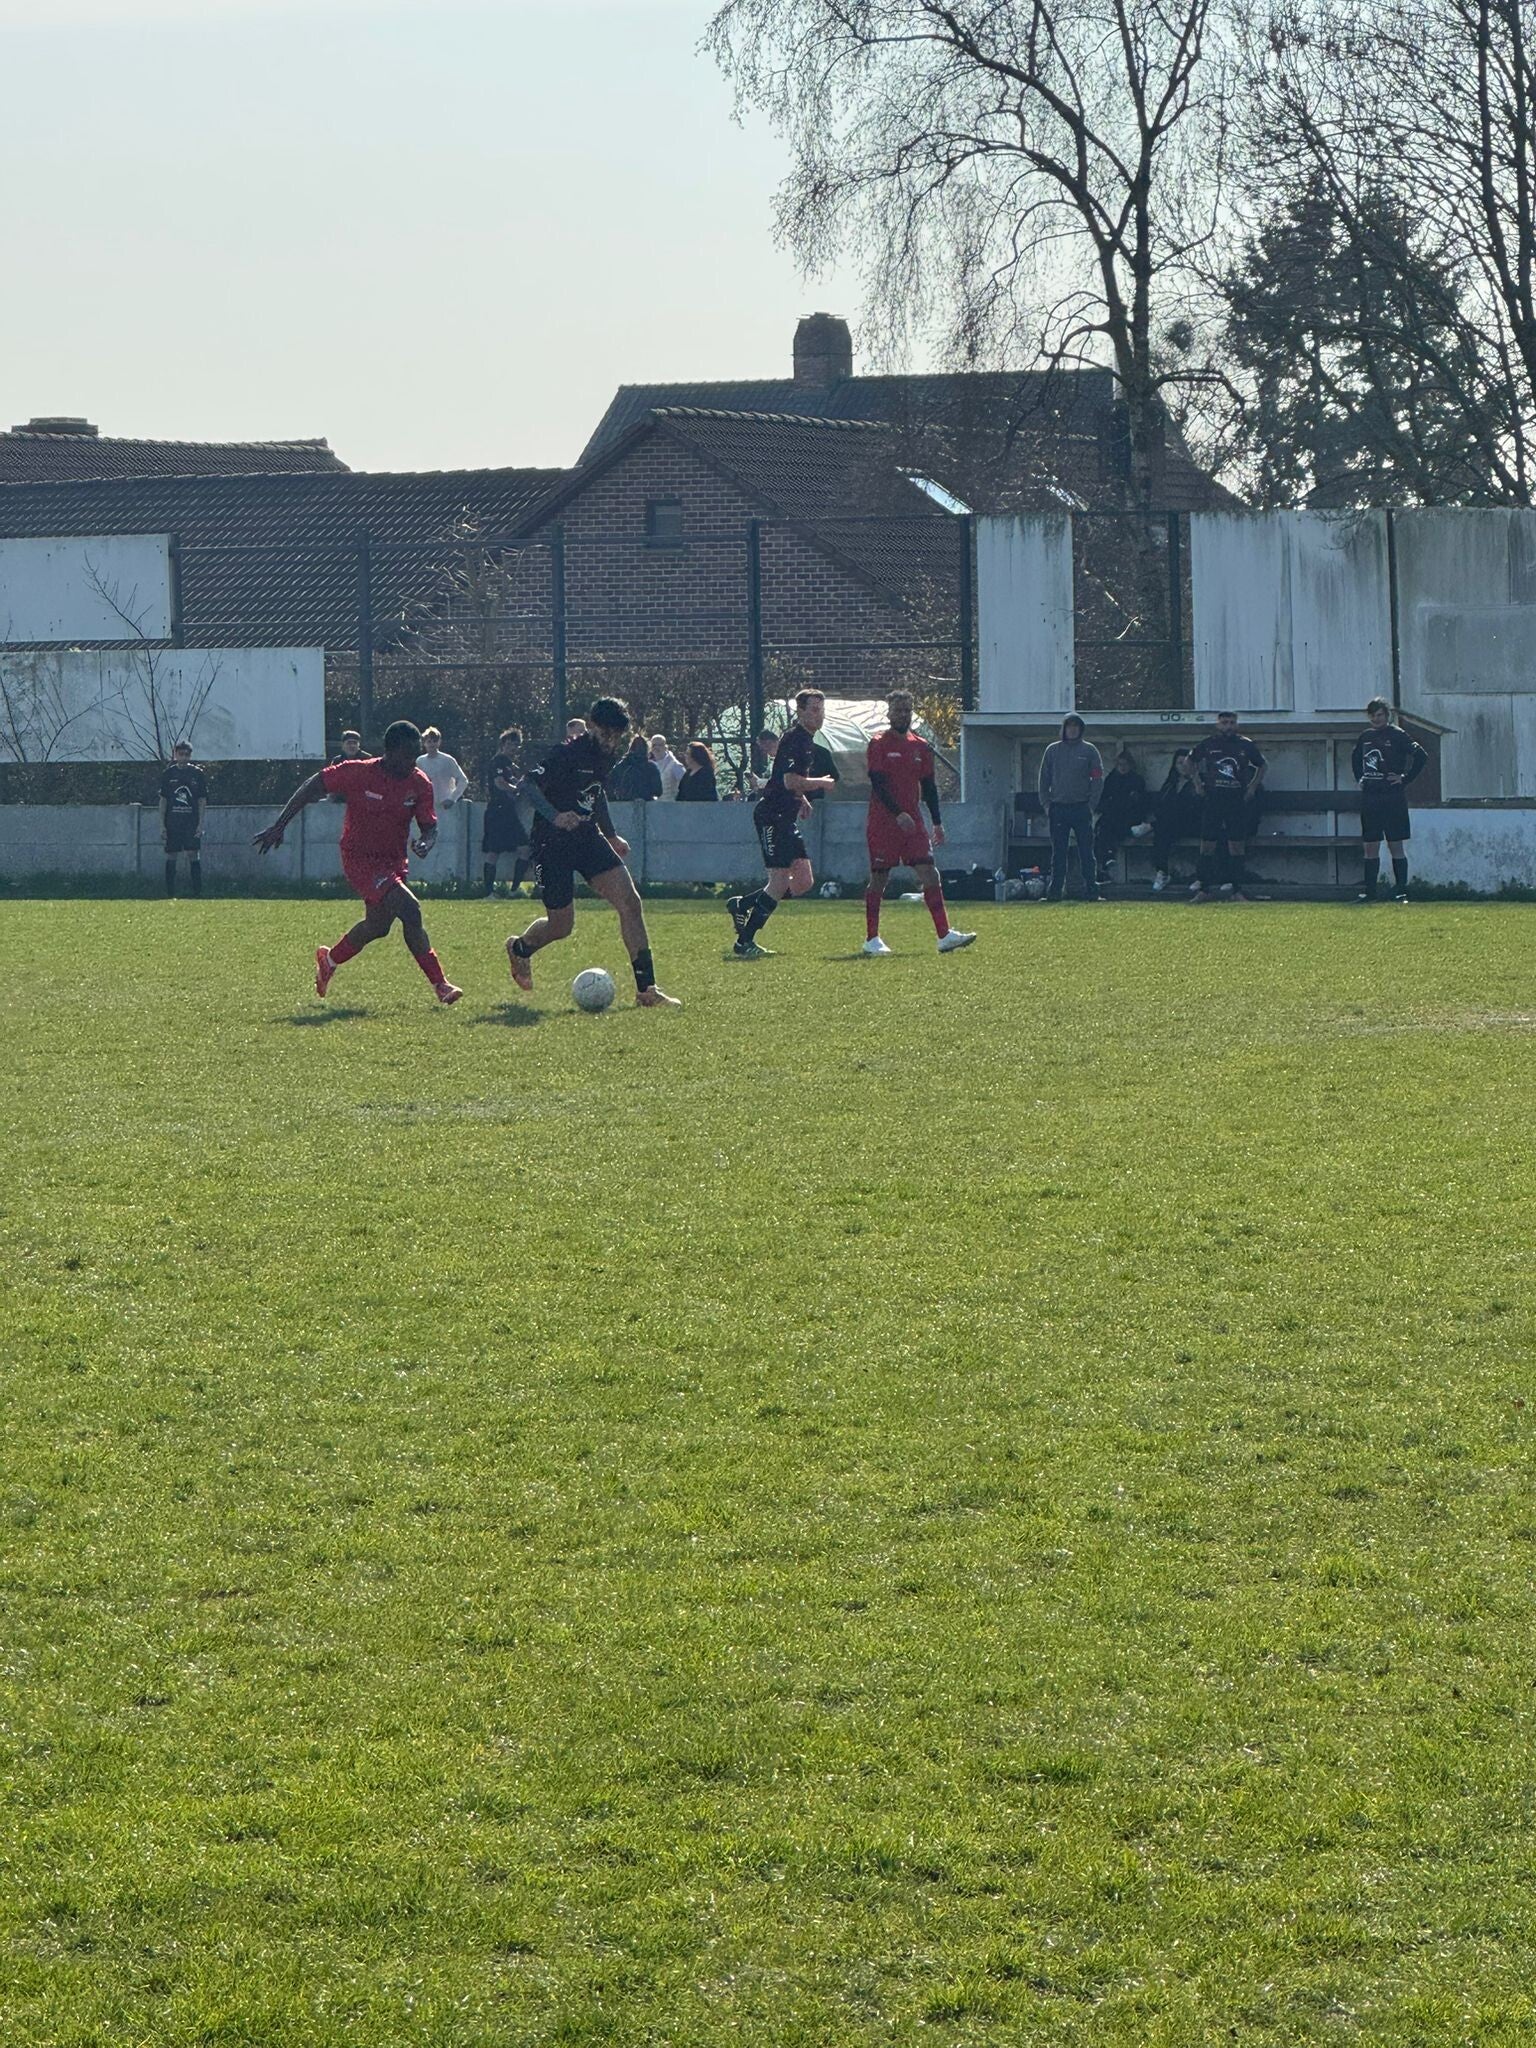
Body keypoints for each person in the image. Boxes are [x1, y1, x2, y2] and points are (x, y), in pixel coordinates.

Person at [253, 719, 462, 1005]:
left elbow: (430, 826)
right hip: (359, 859)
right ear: (390, 752)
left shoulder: (419, 782)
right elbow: (312, 785)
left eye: (415, 756)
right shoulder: (359, 772)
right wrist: (280, 825)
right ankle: (440, 984)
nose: (411, 763)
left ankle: (329, 959)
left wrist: (427, 841)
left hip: (393, 861)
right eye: (406, 756)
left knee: (378, 926)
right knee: (410, 910)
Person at [505, 696, 680, 1009]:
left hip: (587, 837)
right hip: (552, 844)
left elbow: (596, 795)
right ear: (591, 726)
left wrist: (610, 835)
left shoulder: (606, 756)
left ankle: (647, 990)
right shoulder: (566, 753)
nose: (611, 741)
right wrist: (555, 816)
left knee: (630, 902)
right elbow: (528, 784)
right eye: (606, 734)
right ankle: (520, 949)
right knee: (561, 926)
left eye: (617, 736)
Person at [861, 690, 976, 956]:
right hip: (883, 823)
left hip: (913, 824)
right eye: (898, 710)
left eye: (907, 710)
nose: (903, 715)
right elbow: (878, 783)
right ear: (889, 713)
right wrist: (897, 813)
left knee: (929, 872)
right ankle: (871, 938)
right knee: (880, 877)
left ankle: (944, 935)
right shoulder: (878, 743)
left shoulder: (921, 746)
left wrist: (937, 822)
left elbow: (929, 786)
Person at [726, 689, 836, 958]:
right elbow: (789, 780)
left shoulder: (806, 740)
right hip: (771, 816)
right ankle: (744, 942)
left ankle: (743, 904)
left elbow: (784, 779)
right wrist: (821, 783)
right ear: (800, 711)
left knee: (803, 882)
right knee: (778, 881)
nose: (819, 715)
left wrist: (802, 799)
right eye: (813, 710)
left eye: (821, 710)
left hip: (785, 817)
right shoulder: (794, 739)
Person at [1353, 697, 1427, 902]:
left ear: (1387, 715)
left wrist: (1405, 778)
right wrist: (1360, 778)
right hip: (1371, 797)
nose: (1376, 719)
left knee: (1395, 844)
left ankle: (1401, 890)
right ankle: (1370, 892)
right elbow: (1355, 759)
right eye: (1372, 715)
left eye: (1379, 715)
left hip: (1392, 797)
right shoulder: (1365, 737)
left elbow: (1421, 756)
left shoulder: (1398, 735)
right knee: (1370, 845)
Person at [1188, 711, 1267, 903]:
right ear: (1218, 725)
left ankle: (1236, 890)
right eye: (1224, 722)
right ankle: (1204, 889)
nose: (1228, 726)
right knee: (1207, 845)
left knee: (1236, 846)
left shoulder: (1245, 744)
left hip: (1236, 800)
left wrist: (1252, 787)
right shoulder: (1209, 743)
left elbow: (1262, 765)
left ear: (1237, 725)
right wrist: (1197, 783)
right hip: (1213, 799)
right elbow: (1190, 761)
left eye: (1232, 722)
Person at [1037, 713, 1103, 901]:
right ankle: (1055, 893)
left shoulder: (1090, 751)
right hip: (1058, 808)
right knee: (1058, 853)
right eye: (1069, 726)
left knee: (1086, 852)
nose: (1072, 730)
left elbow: (1097, 779)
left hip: (1081, 808)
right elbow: (1043, 779)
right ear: (1064, 729)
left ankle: (1092, 891)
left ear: (1081, 729)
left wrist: (1091, 805)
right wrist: (1046, 804)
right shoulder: (1052, 750)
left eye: (1076, 726)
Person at [482, 726, 533, 896]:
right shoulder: (498, 761)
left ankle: (514, 889)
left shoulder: (511, 765)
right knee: (493, 852)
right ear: (503, 744)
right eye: (510, 744)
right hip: (497, 811)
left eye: (516, 745)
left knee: (525, 849)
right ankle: (489, 893)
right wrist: (515, 789)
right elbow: (499, 783)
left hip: (510, 812)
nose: (514, 748)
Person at [158, 741, 208, 898]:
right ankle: (170, 894)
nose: (184, 758)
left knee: (193, 853)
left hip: (190, 822)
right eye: (181, 754)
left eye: (187, 754)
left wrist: (200, 824)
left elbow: (202, 800)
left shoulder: (197, 774)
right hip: (173, 822)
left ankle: (197, 893)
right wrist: (162, 825)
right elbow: (163, 800)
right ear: (175, 755)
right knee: (171, 854)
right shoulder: (168, 774)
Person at [1151, 749, 1201, 893]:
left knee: (1162, 827)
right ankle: (1162, 872)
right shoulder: (1170, 784)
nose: (1183, 766)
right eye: (1179, 763)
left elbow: (1197, 806)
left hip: (1194, 824)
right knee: (1161, 832)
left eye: (1186, 763)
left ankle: (1151, 826)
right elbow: (1160, 804)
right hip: (1171, 826)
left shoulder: (1198, 781)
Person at [1095, 749, 1147, 884]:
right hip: (1112, 816)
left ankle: (1106, 858)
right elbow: (1103, 800)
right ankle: (1104, 861)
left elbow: (1139, 803)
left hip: (1129, 817)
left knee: (1108, 826)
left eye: (1125, 764)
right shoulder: (1111, 779)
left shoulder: (1136, 780)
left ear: (1131, 765)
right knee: (1102, 827)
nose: (1123, 767)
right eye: (1120, 764)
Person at [608, 733, 664, 802]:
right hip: (646, 805)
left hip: (623, 805)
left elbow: (610, 784)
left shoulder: (622, 766)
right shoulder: (651, 768)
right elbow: (658, 791)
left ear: (631, 748)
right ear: (646, 749)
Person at [327, 729, 363, 800]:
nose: (352, 746)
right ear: (343, 745)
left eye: (355, 743)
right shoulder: (337, 761)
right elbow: (332, 780)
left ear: (359, 745)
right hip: (341, 796)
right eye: (349, 743)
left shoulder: (367, 759)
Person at [649, 733, 685, 799]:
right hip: (655, 804)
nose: (656, 747)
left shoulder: (675, 765)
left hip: (671, 804)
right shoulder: (650, 765)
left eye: (660, 745)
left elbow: (686, 784)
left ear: (665, 747)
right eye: (654, 745)